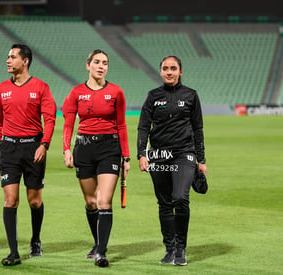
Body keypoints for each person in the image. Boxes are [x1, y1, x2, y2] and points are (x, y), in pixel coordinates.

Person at [0, 44, 56, 266]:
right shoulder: (1, 90)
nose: (8, 60)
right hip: (8, 149)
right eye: (7, 56)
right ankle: (13, 252)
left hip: (33, 148)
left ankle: (36, 240)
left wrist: (44, 145)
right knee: (10, 200)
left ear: (25, 61)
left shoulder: (41, 87)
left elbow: (50, 118)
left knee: (34, 201)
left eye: (13, 57)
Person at [62, 49, 130, 268]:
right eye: (97, 62)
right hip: (84, 148)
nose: (102, 66)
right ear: (88, 65)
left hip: (109, 148)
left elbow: (121, 125)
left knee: (104, 200)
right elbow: (68, 124)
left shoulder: (117, 92)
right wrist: (66, 149)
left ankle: (101, 252)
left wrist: (126, 157)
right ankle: (98, 242)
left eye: (105, 63)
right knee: (91, 202)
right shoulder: (75, 93)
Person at [137, 55, 207, 266]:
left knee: (180, 198)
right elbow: (143, 126)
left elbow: (198, 128)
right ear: (161, 72)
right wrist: (142, 153)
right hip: (158, 156)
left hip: (184, 153)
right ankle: (170, 249)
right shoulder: (153, 96)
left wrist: (201, 159)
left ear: (180, 71)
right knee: (165, 203)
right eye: (166, 68)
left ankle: (181, 248)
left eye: (173, 68)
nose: (169, 72)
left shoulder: (191, 96)